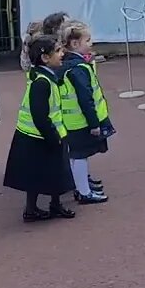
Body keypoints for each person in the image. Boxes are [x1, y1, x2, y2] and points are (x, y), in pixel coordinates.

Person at [3, 34, 76, 222]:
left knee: (52, 171)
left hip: (42, 134)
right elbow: (39, 114)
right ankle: (33, 209)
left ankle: (49, 205)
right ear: (45, 58)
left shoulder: (45, 77)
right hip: (39, 136)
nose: (62, 54)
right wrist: (53, 136)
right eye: (58, 51)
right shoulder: (42, 83)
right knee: (40, 173)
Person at [59, 21, 114, 204]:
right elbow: (85, 98)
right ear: (75, 44)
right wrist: (94, 123)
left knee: (76, 156)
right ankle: (84, 192)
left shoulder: (66, 64)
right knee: (80, 157)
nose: (91, 43)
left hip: (70, 121)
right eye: (87, 40)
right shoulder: (78, 68)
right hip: (79, 121)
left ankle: (81, 187)